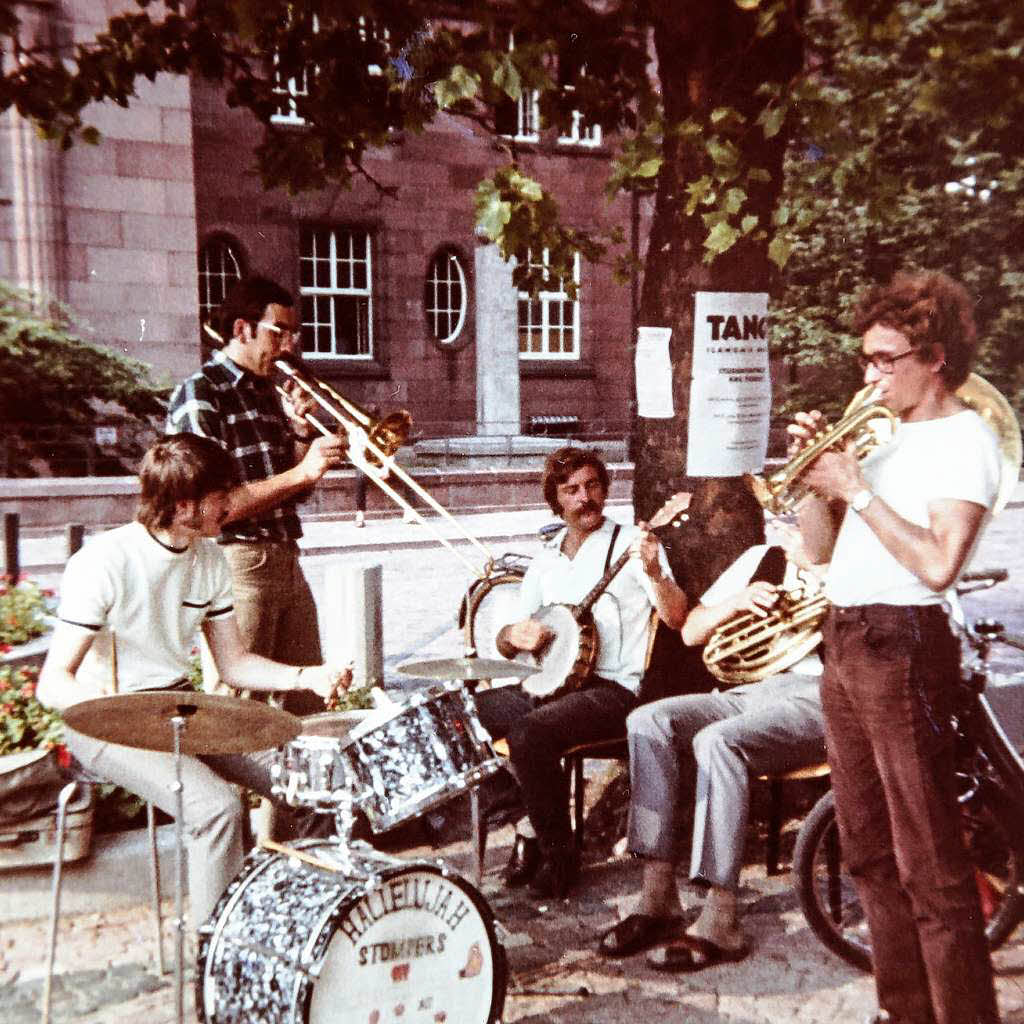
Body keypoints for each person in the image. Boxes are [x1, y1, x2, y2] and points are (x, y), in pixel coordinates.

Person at [791, 270, 1002, 1024]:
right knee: (869, 855)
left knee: (932, 868)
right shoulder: (885, 440)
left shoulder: (965, 439)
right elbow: (817, 554)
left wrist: (857, 489)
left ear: (935, 356)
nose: (872, 376)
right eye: (866, 361)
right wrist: (818, 484)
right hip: (845, 638)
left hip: (903, 641)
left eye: (887, 360)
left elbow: (940, 561)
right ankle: (904, 1011)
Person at [38, 435, 352, 927]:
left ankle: (302, 920)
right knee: (217, 809)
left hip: (177, 707)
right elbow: (52, 682)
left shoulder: (208, 559)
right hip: (102, 721)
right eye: (222, 495)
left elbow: (234, 664)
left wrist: (308, 676)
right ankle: (219, 956)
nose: (231, 503)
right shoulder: (104, 562)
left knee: (311, 779)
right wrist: (105, 708)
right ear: (185, 504)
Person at [597, 535, 827, 968]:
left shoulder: (851, 559)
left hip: (820, 694)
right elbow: (692, 630)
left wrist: (820, 574)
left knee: (717, 741)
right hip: (753, 686)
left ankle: (722, 916)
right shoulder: (765, 557)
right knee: (649, 721)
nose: (805, 515)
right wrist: (738, 602)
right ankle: (658, 897)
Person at [473, 446, 689, 899]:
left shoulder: (632, 544)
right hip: (553, 685)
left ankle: (559, 855)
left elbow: (675, 617)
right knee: (460, 718)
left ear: (605, 490)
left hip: (614, 689)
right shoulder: (546, 558)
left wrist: (653, 569)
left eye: (592, 486)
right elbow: (505, 641)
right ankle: (525, 819)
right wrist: (516, 633)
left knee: (531, 735)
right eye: (571, 490)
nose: (584, 497)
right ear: (556, 501)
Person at [166, 275, 347, 715]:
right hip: (237, 564)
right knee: (238, 709)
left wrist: (303, 434)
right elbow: (214, 508)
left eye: (293, 334)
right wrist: (303, 472)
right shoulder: (202, 393)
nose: (288, 346)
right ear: (242, 329)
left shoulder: (268, 392)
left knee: (308, 701)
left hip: (285, 557)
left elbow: (293, 492)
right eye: (278, 332)